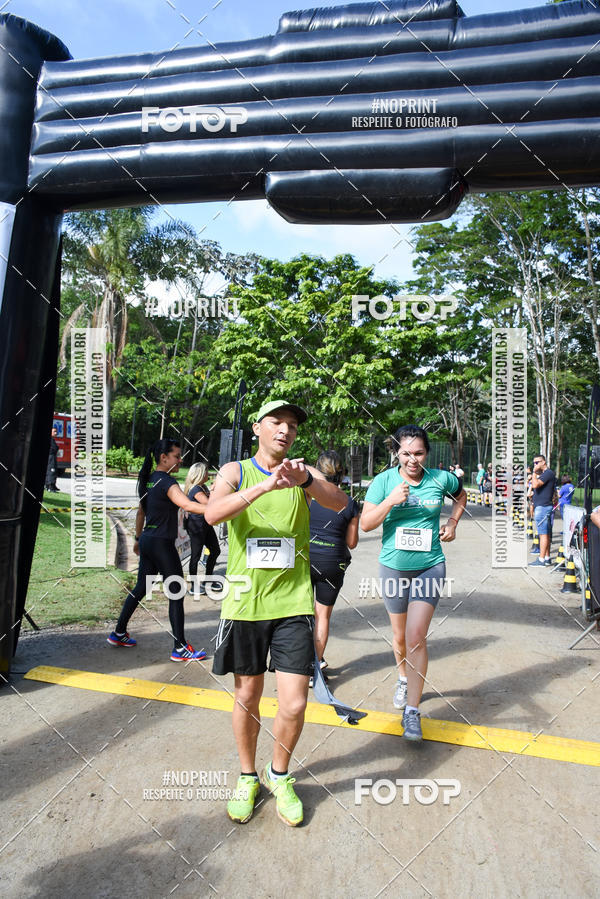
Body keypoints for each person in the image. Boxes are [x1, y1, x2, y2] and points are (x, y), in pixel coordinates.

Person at [205, 400, 347, 827]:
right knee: (247, 696)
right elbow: (213, 513)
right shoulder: (235, 472)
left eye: (291, 426)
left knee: (294, 702)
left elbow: (340, 502)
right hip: (246, 603)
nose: (284, 431)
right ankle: (248, 776)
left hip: (293, 604)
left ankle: (278, 774)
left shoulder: (304, 474)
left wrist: (305, 480)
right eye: (276, 423)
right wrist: (265, 487)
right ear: (257, 428)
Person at [361, 424, 466, 742]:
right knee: (399, 636)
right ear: (396, 453)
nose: (412, 459)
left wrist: (452, 522)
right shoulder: (383, 481)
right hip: (393, 567)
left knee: (416, 636)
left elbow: (461, 495)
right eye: (405, 453)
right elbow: (365, 524)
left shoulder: (440, 478)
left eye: (418, 453)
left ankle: (412, 711)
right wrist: (391, 500)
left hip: (430, 566)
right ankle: (404, 677)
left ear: (427, 453)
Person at [107, 438, 208, 660]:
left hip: (148, 540)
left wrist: (137, 538)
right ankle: (180, 647)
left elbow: (142, 513)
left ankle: (119, 632)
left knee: (142, 586)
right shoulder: (167, 482)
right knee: (177, 590)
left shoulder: (149, 480)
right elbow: (188, 504)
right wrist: (216, 507)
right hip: (161, 543)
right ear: (164, 458)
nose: (180, 460)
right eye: (176, 456)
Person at [308, 450, 359, 685]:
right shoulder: (349, 503)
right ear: (343, 473)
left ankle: (298, 664)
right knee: (322, 615)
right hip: (333, 561)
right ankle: (314, 667)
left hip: (305, 558)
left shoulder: (307, 495)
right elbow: (352, 542)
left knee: (300, 613)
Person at [183, 462, 221, 595]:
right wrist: (215, 489)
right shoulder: (196, 489)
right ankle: (194, 586)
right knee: (196, 556)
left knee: (215, 550)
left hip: (206, 525)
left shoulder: (203, 487)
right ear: (200, 474)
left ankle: (208, 580)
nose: (208, 474)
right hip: (196, 526)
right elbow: (210, 504)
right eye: (206, 472)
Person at [529, 454, 556, 567]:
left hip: (543, 508)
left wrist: (534, 473)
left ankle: (541, 560)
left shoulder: (548, 473)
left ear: (543, 462)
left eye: (537, 462)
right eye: (534, 463)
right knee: (547, 534)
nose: (535, 465)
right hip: (543, 506)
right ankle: (547, 557)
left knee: (543, 534)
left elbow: (535, 484)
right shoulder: (545, 474)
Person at [45, 426, 59, 492]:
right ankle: (50, 486)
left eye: (56, 431)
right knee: (51, 470)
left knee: (54, 470)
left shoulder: (53, 440)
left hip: (53, 457)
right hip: (51, 457)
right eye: (54, 431)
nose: (56, 433)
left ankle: (52, 485)